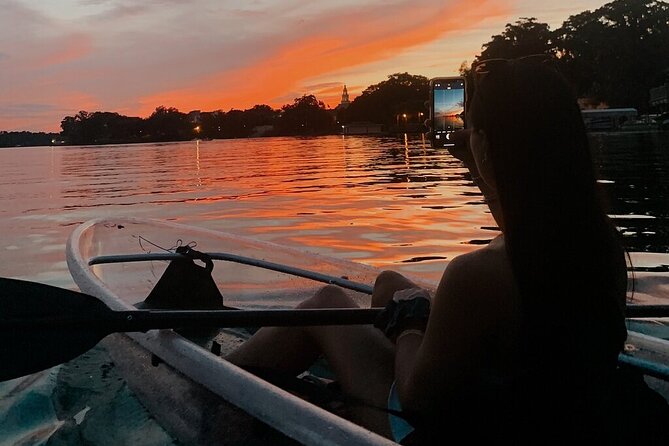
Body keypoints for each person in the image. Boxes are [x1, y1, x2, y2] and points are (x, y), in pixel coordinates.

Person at [227, 56, 664, 444]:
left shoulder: (479, 274)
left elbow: (419, 399)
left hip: (447, 427)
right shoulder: (600, 240)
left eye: (470, 128)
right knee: (389, 283)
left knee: (325, 305)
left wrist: (411, 328)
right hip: (554, 408)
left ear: (487, 147)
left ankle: (207, 379)